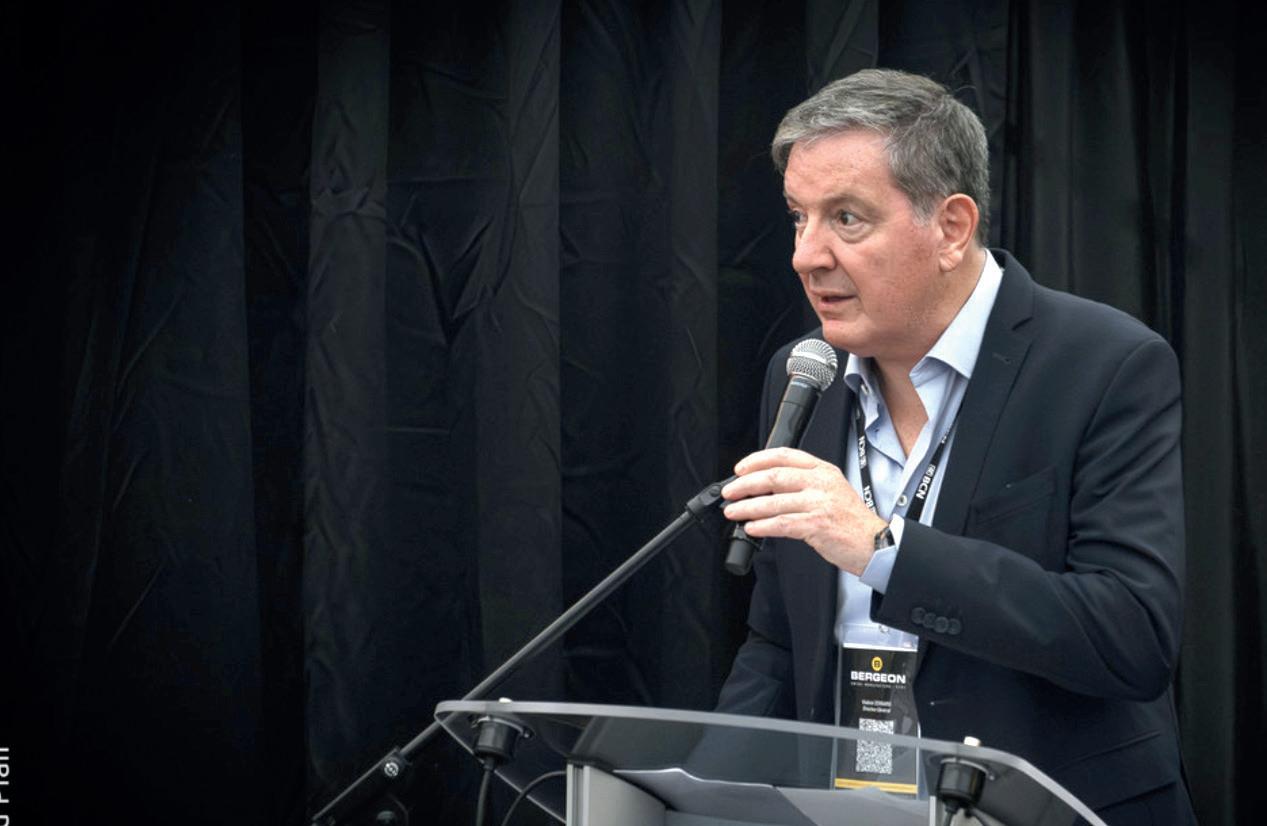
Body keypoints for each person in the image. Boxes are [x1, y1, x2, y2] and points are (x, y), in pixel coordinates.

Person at [716, 69, 1196, 824]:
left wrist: (882, 549)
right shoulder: (804, 374)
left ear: (951, 227)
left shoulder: (1104, 364)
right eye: (798, 218)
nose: (806, 255)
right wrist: (704, 794)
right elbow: (778, 640)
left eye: (846, 218)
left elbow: (1130, 636)